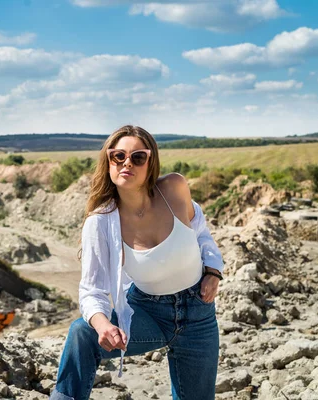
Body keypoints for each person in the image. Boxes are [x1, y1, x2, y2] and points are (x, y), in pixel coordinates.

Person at [49, 125, 224, 400]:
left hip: (197, 316)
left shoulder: (174, 189)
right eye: (118, 156)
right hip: (146, 313)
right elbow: (91, 290)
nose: (126, 163)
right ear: (108, 162)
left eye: (137, 157)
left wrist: (213, 270)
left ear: (150, 161)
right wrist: (103, 325)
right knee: (82, 332)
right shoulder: (101, 222)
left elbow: (201, 233)